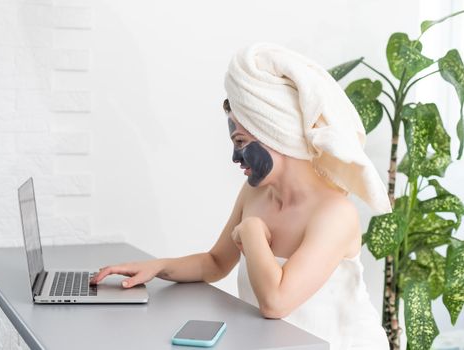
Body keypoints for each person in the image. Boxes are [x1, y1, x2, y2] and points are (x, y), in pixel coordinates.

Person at [90, 42, 391, 349]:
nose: (235, 157)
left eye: (241, 141)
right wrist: (156, 267)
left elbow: (276, 302)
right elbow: (215, 262)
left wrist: (251, 231)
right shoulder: (254, 194)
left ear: (278, 135)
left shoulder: (335, 214)